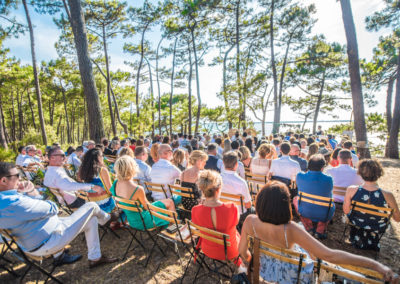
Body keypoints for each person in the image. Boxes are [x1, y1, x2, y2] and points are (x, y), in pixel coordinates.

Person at [238, 181, 397, 283]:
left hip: (266, 274)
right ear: (285, 204)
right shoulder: (291, 230)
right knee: (347, 276)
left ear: (260, 202)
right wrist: (375, 264)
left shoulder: (250, 221)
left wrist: (258, 260)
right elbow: (329, 255)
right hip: (295, 277)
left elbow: (242, 252)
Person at [0, 162, 118, 268]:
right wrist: (33, 193)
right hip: (49, 241)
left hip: (33, 241)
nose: (20, 178)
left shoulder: (6, 199)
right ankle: (107, 219)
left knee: (91, 219)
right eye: (17, 175)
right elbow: (52, 208)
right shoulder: (14, 203)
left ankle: (95, 258)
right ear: (4, 181)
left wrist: (30, 192)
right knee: (91, 206)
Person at [343, 159, 400, 251]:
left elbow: (346, 211)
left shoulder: (351, 190)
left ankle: (357, 237)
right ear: (379, 173)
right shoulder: (388, 195)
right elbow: (397, 218)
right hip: (377, 226)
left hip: (356, 222)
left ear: (360, 173)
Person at [109, 156, 174, 230]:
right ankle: (172, 228)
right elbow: (149, 208)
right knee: (170, 202)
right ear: (132, 169)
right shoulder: (138, 189)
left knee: (167, 202)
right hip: (144, 221)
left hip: (131, 220)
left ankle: (171, 226)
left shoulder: (115, 183)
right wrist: (162, 212)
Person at [191, 170, 241, 265]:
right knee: (236, 232)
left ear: (202, 190)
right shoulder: (232, 207)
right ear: (218, 189)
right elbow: (236, 223)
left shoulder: (195, 210)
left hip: (208, 249)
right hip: (229, 251)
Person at [293, 154, 334, 239]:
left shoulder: (300, 176)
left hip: (305, 211)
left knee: (295, 199)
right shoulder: (329, 179)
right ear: (322, 168)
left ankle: (308, 226)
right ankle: (320, 230)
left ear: (308, 165)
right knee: (331, 204)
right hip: (323, 214)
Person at [77, 149, 116, 213]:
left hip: (90, 204)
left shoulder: (81, 171)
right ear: (98, 157)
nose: (103, 157)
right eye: (102, 155)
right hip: (105, 205)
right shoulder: (102, 170)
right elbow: (110, 191)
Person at [220, 151, 252, 216]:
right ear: (237, 164)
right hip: (238, 214)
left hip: (221, 210)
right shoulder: (242, 182)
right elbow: (248, 205)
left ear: (223, 163)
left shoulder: (216, 179)